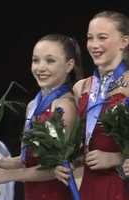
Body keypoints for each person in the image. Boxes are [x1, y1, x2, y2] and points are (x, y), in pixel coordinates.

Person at [0, 33, 83, 200]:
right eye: (36, 60)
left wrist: (9, 176)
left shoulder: (64, 106)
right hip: (33, 193)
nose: (40, 68)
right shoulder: (33, 105)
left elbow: (58, 167)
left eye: (50, 61)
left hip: (56, 194)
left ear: (69, 65)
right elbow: (28, 159)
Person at [55, 10, 129, 200]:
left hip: (121, 185)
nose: (94, 45)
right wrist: (62, 162)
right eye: (90, 38)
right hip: (87, 185)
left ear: (124, 41)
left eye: (102, 38)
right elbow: (78, 144)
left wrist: (116, 158)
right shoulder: (82, 87)